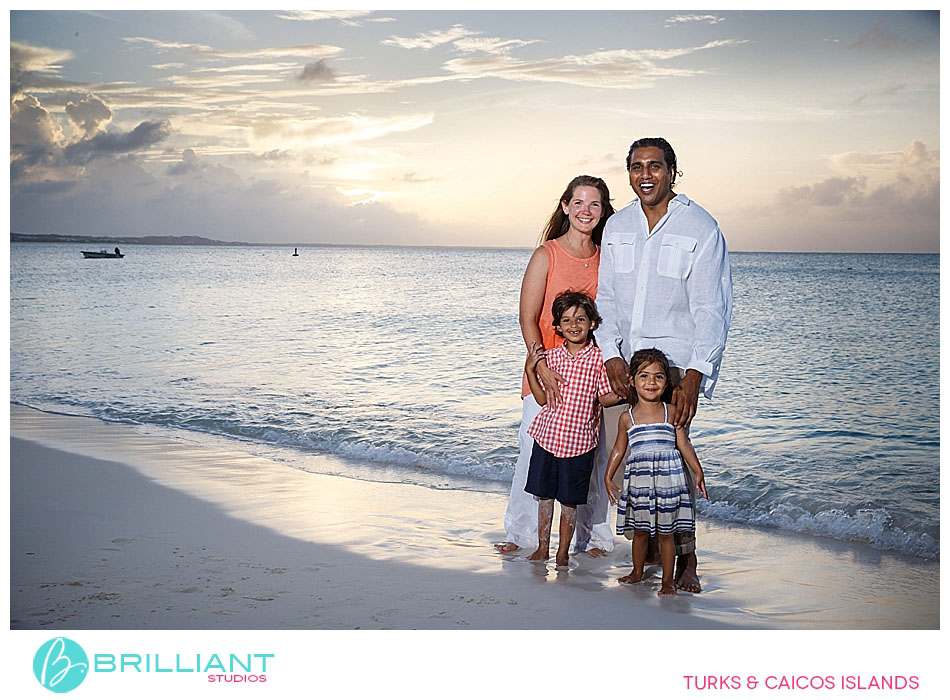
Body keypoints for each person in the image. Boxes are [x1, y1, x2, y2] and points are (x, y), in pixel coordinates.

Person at [595, 137, 732, 592]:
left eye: (655, 165)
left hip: (672, 368)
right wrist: (611, 354)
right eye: (637, 167)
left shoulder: (700, 226)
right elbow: (606, 298)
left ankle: (687, 560)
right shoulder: (617, 226)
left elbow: (712, 308)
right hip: (625, 363)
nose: (646, 175)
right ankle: (651, 552)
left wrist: (695, 375)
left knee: (673, 465)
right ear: (629, 174)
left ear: (672, 171)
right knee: (633, 461)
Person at [494, 175, 617, 555]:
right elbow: (527, 317)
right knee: (533, 456)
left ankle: (592, 539)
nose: (586, 211)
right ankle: (521, 535)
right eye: (578, 202)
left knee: (591, 458)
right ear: (565, 206)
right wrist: (541, 366)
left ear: (603, 211)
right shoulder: (546, 254)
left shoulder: (608, 258)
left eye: (594, 204)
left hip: (589, 373)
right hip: (546, 374)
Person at [523, 291, 619, 566]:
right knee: (544, 497)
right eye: (566, 320)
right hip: (547, 438)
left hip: (579, 444)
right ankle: (543, 548)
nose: (573, 325)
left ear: (592, 323)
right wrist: (530, 370)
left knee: (569, 502)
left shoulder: (600, 359)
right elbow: (542, 400)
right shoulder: (551, 358)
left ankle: (563, 553)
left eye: (580, 319)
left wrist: (629, 391)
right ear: (557, 326)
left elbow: (604, 398)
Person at [604, 348, 707, 595]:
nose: (651, 382)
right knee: (640, 532)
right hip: (639, 482)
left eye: (658, 376)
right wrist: (608, 476)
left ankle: (667, 581)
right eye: (644, 376)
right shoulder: (627, 418)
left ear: (666, 382)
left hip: (668, 482)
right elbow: (619, 449)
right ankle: (637, 572)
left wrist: (697, 471)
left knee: (666, 533)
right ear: (632, 380)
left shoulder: (671, 412)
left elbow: (684, 444)